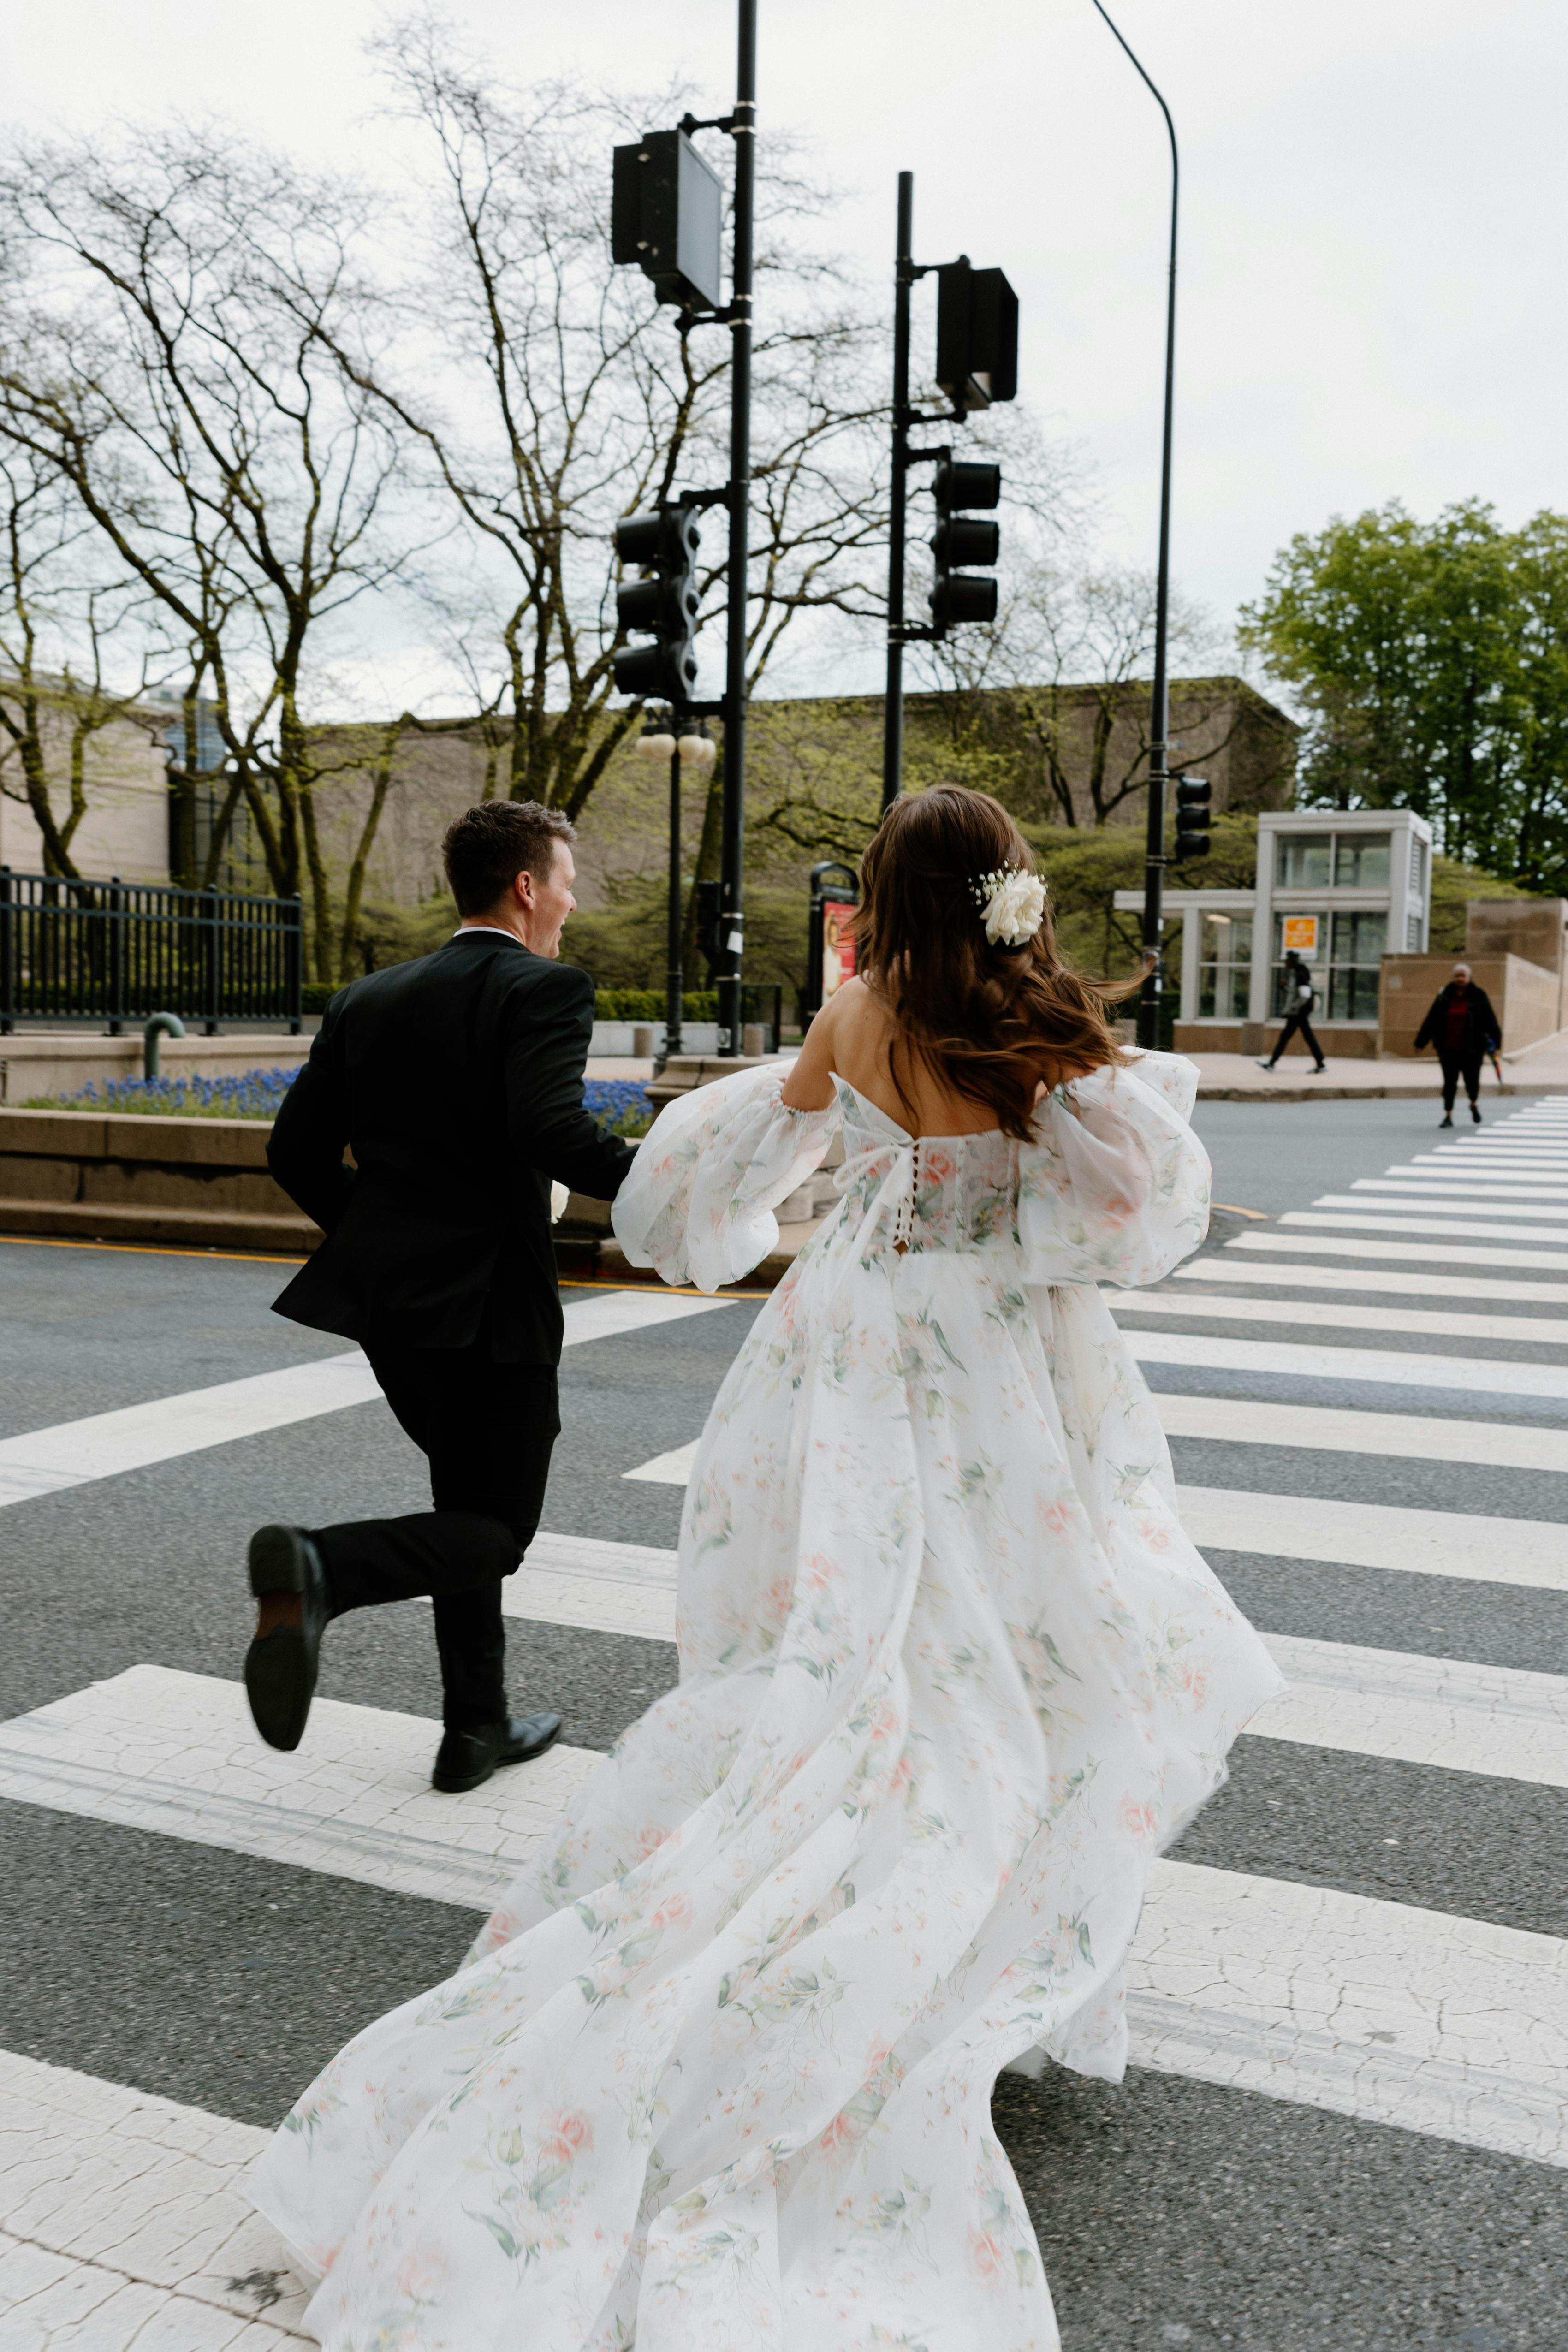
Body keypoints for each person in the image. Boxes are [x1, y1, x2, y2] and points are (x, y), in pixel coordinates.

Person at [249, 785, 1281, 2351]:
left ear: (885, 894)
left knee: (854, 1635)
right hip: (1005, 1353)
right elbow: (1135, 1214)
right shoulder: (1037, 1029)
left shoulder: (862, 1009)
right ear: (1010, 894)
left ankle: (859, 1869)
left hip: (857, 1342)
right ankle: (992, 1932)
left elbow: (706, 1182)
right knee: (1030, 1635)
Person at [244, 801, 635, 1794]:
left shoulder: (369, 998)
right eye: (567, 880)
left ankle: (476, 1728)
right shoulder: (544, 988)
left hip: (388, 1309)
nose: (573, 901)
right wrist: (670, 1179)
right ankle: (322, 1566)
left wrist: (379, 1240)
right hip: (492, 1303)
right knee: (497, 1529)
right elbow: (551, 1130)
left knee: (461, 1499)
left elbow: (292, 1153)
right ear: (525, 888)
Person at [1414, 960, 1501, 1127]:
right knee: (1449, 1083)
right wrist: (1421, 1042)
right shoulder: (1444, 995)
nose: (1460, 979)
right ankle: (1448, 1115)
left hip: (1473, 1050)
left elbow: (1491, 1020)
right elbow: (1431, 1020)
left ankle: (1473, 1103)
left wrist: (1496, 1042)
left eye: (1463, 976)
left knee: (1472, 1082)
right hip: (1448, 1049)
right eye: (1457, 976)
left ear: (1469, 977)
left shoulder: (1479, 995)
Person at [1258, 947, 1326, 1071]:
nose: (1285, 963)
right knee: (1298, 1037)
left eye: (1287, 960)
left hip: (1298, 1014)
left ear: (1292, 961)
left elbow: (1304, 994)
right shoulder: (1295, 972)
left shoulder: (1300, 973)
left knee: (1289, 1037)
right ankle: (1320, 1063)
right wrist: (1284, 988)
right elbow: (1295, 993)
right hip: (1297, 1013)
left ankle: (1272, 1063)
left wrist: (1294, 1008)